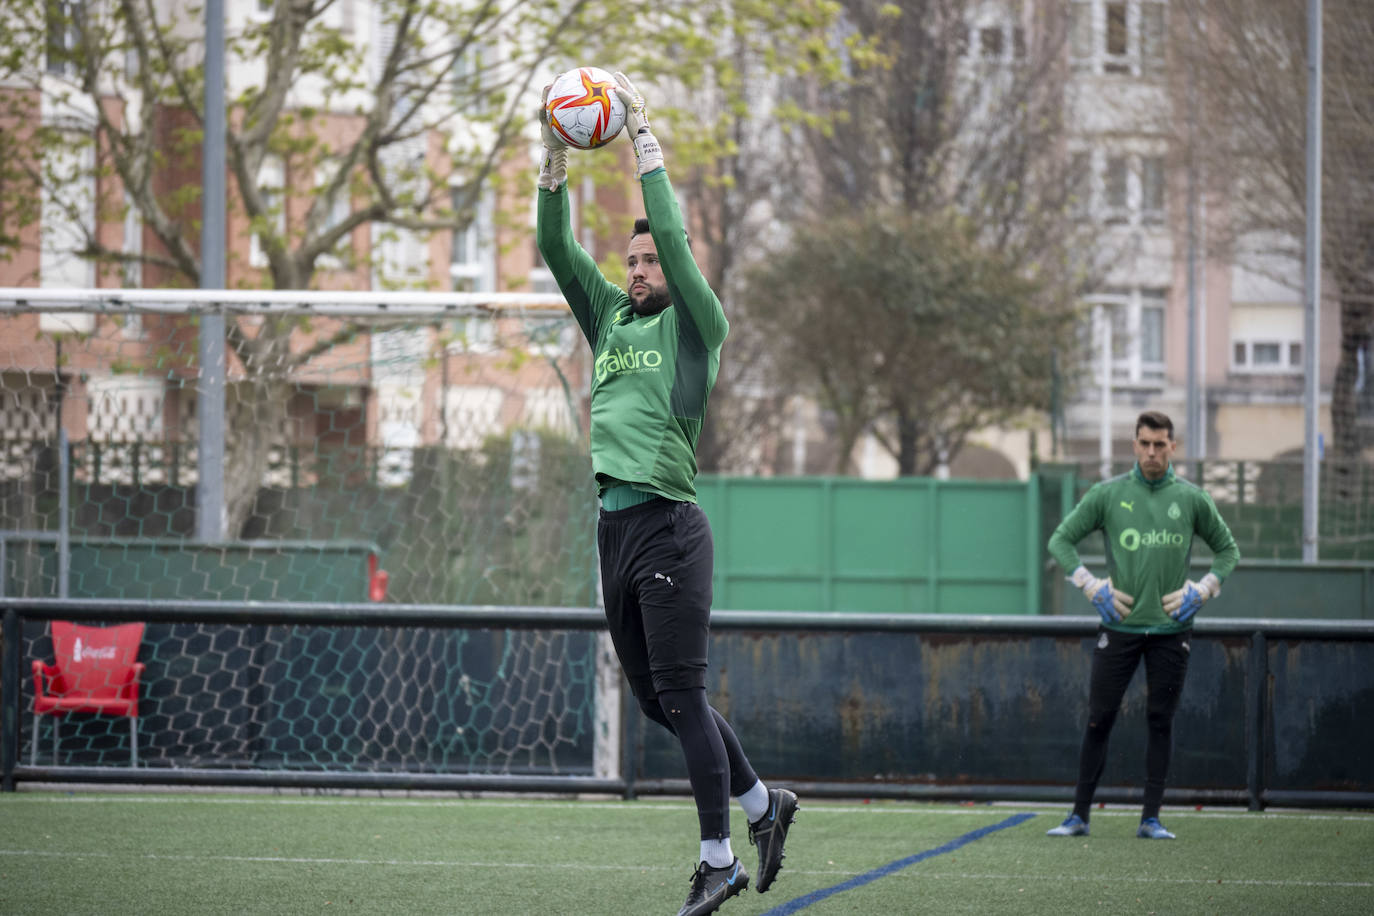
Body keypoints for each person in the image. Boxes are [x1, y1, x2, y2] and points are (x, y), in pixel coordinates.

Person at [535, 72, 798, 915]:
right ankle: (766, 806)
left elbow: (680, 246)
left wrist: (642, 140)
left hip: (669, 529)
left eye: (652, 259)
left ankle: (717, 857)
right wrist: (553, 160)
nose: (641, 268)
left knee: (682, 695)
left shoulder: (696, 327)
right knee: (659, 701)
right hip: (613, 530)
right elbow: (555, 248)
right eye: (634, 260)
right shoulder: (612, 318)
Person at [1045, 410, 1240, 840]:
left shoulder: (1191, 499)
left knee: (1159, 721)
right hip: (1120, 628)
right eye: (1144, 443)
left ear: (1174, 447)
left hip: (1171, 631)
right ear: (1134, 445)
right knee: (1099, 719)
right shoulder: (1107, 494)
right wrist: (1090, 585)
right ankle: (1078, 816)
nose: (1152, 452)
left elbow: (1228, 551)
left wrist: (1204, 589)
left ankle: (1150, 819)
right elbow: (1060, 540)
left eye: (1160, 444)